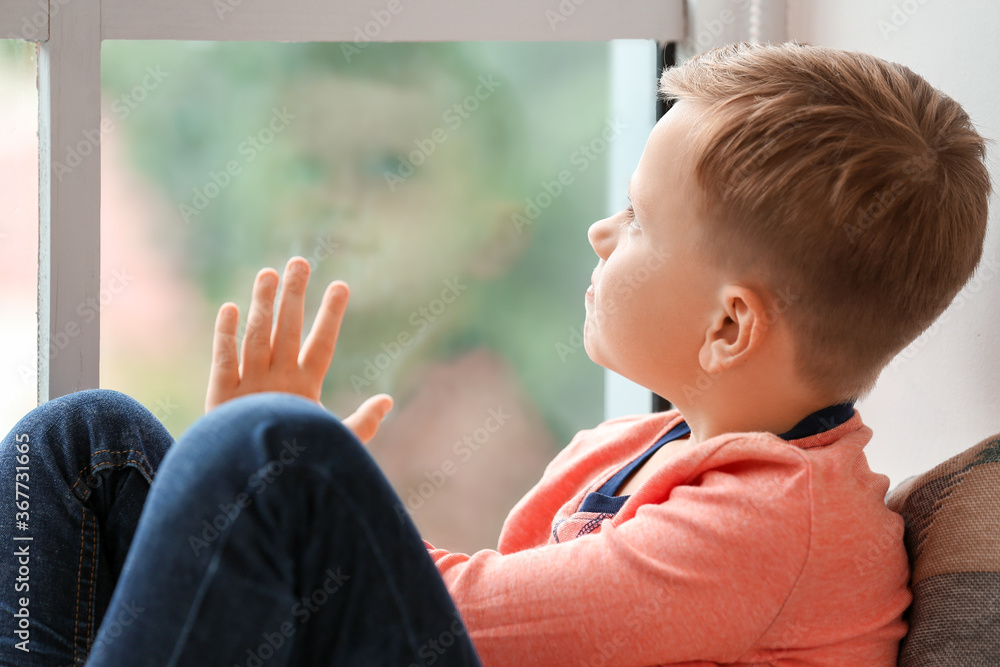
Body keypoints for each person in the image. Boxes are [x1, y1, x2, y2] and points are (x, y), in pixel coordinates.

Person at [0, 40, 992, 665]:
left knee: (265, 450)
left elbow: (463, 617)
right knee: (86, 442)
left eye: (639, 221)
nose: (601, 232)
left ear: (729, 327)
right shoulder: (644, 450)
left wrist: (284, 481)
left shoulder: (773, 527)